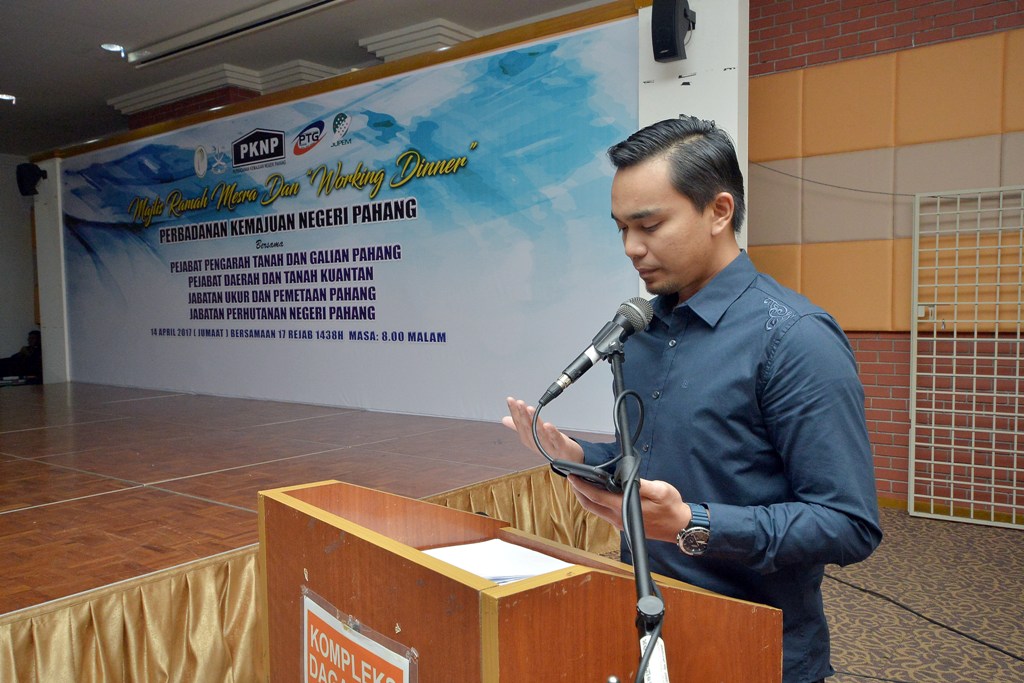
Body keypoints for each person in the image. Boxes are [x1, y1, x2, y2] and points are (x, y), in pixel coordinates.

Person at [503, 116, 882, 683]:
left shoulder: (795, 339)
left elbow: (848, 524)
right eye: (621, 229)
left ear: (719, 211)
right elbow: (664, 463)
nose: (631, 248)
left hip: (755, 652)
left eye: (649, 225)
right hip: (648, 631)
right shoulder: (640, 333)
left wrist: (693, 524)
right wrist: (585, 459)